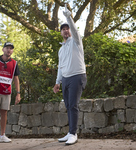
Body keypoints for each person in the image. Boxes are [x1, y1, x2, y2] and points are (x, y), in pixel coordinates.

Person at [53, 4, 87, 145]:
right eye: (63, 29)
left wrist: (68, 17)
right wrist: (57, 82)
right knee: (68, 105)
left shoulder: (76, 42)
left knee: (73, 105)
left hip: (77, 76)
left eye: (67, 29)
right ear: (61, 32)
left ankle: (73, 134)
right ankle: (70, 132)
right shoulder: (61, 50)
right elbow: (60, 67)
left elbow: (75, 30)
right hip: (66, 79)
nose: (66, 31)